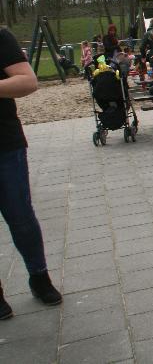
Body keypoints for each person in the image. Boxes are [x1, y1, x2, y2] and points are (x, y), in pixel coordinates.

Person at [0, 27, 63, 319]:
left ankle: (39, 277)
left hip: (4, 145)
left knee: (21, 216)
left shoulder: (1, 37)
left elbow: (27, 81)